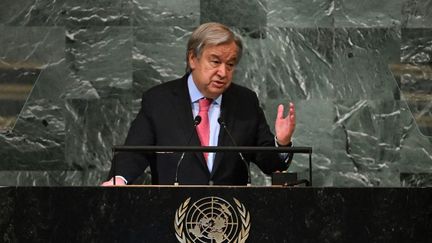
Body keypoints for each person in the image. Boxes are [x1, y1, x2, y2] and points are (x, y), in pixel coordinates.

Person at [102, 22, 295, 186]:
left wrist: (282, 142)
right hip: (171, 214)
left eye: (230, 64)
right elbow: (134, 152)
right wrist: (119, 179)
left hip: (231, 217)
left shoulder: (245, 102)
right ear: (193, 59)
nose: (223, 72)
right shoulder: (159, 100)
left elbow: (270, 163)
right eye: (215, 61)